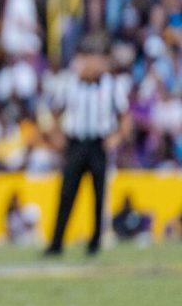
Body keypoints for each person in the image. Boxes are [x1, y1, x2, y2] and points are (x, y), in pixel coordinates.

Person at [44, 34, 132, 256]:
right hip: (75, 143)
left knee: (99, 194)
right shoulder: (69, 83)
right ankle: (57, 242)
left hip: (98, 144)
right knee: (66, 193)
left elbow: (125, 117)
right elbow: (54, 111)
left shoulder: (112, 86)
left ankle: (95, 242)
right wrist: (56, 135)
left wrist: (117, 137)